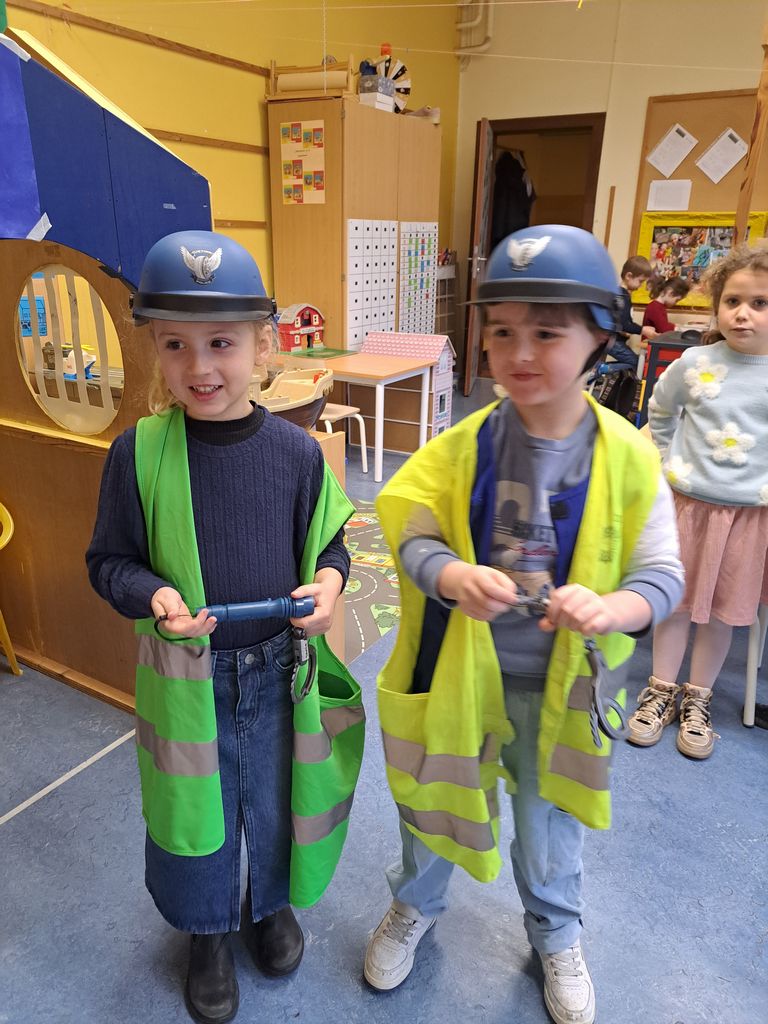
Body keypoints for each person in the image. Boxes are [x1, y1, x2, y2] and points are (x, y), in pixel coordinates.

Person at [363, 225, 684, 1024]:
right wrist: (450, 574)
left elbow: (662, 576)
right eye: (502, 330)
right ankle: (414, 906)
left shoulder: (630, 458)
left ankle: (556, 933)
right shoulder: (462, 446)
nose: (519, 352)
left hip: (562, 691)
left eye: (547, 332)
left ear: (600, 336)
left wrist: (611, 609)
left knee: (550, 827)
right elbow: (411, 528)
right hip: (461, 681)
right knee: (434, 805)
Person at [86, 230, 361, 1024]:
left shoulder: (296, 455)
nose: (199, 366)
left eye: (221, 343)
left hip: (279, 674)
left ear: (262, 346)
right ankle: (205, 931)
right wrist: (154, 594)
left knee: (275, 803)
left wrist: (330, 584)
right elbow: (108, 563)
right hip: (186, 682)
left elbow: (332, 546)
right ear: (154, 350)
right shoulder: (137, 454)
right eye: (175, 344)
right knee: (193, 813)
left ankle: (268, 907)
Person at [628, 243, 768, 759]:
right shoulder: (695, 363)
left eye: (760, 303)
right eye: (733, 301)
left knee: (723, 613)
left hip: (748, 517)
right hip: (686, 508)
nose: (743, 313)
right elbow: (659, 412)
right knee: (676, 603)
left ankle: (698, 697)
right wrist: (667, 460)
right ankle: (661, 689)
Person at [607, 255, 657, 371]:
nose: (641, 285)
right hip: (611, 341)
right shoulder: (621, 296)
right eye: (640, 281)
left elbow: (620, 321)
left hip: (612, 340)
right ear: (629, 276)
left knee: (635, 362)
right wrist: (643, 330)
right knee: (637, 364)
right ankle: (600, 369)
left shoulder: (620, 294)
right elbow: (624, 324)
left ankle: (602, 368)